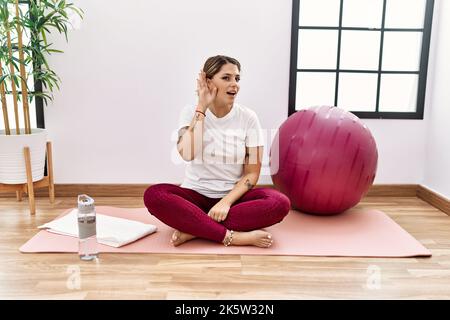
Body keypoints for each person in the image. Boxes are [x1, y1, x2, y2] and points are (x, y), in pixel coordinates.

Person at [144, 55, 290, 248]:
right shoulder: (191, 112)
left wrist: (226, 203)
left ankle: (194, 229)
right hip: (195, 196)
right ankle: (232, 237)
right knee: (154, 195)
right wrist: (202, 107)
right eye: (226, 78)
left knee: (279, 203)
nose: (234, 84)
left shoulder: (248, 117)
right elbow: (187, 154)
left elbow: (252, 173)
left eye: (237, 78)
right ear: (208, 81)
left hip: (234, 199)